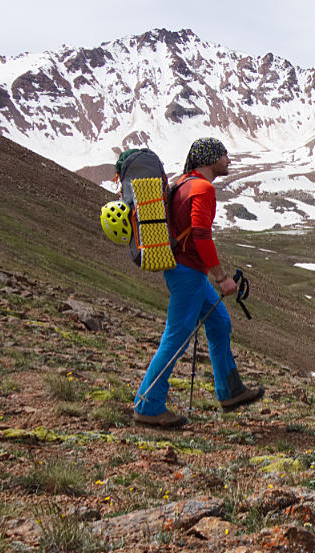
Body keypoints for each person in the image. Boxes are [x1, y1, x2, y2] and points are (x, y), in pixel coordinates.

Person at [133, 137, 264, 427]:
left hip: (184, 270)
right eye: (223, 154)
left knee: (219, 322)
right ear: (209, 159)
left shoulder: (182, 183)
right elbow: (202, 235)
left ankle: (229, 390)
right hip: (189, 272)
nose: (228, 159)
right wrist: (221, 277)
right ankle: (148, 404)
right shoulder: (203, 189)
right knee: (177, 336)